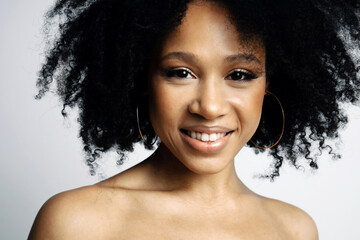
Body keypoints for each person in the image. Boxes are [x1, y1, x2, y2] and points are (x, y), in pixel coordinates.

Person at [28, 0, 359, 239]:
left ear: (271, 84)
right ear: (142, 79)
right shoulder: (75, 224)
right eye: (180, 73)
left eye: (240, 74)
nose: (210, 107)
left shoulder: (295, 230)